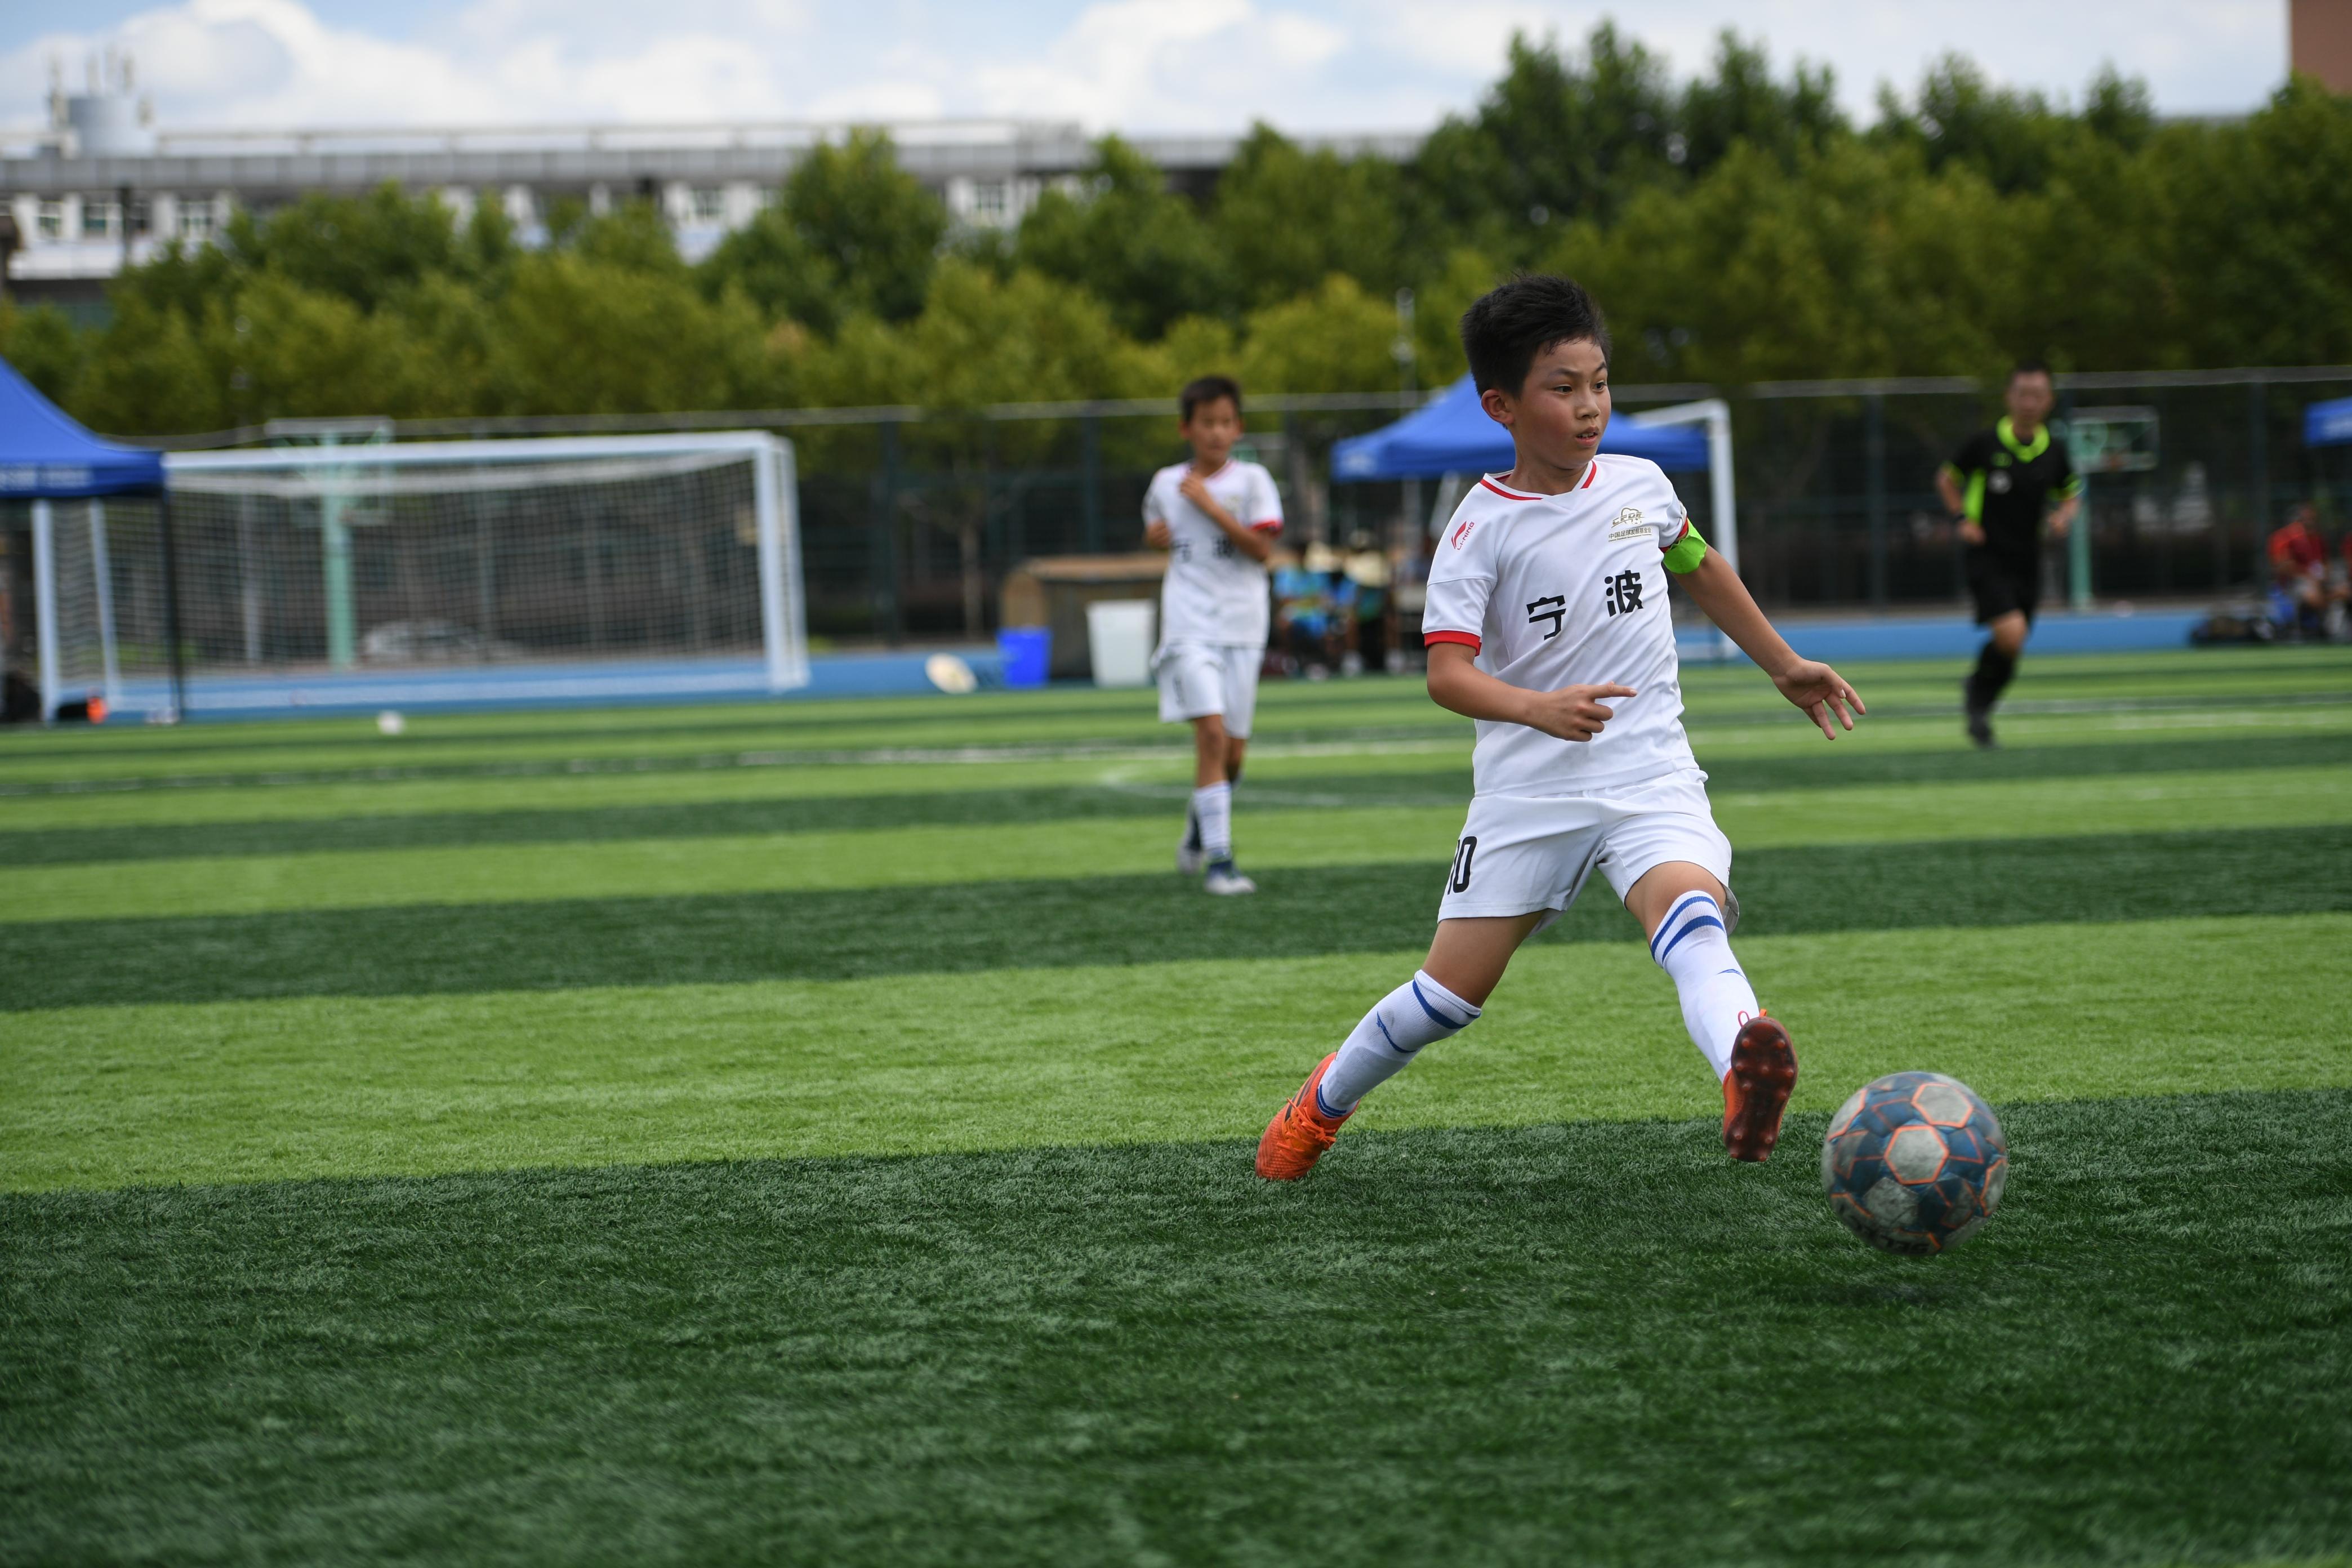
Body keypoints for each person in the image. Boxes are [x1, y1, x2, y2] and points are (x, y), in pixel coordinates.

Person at [1254, 275, 1865, 1181]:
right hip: (1529, 792)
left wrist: (1783, 664)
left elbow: (1698, 565)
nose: (1590, 409)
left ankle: (1745, 1061)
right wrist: (1537, 707)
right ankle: (1318, 1108)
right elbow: (1446, 674)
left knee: (1692, 918)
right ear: (1501, 405)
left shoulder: (1642, 488)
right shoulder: (1478, 530)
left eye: (1601, 383)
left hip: (1649, 772)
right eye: (1564, 388)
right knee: (1444, 997)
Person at [1143, 375, 1284, 896]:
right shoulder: (1164, 483)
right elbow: (1157, 530)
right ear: (1187, 428)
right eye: (1207, 423)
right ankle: (1221, 863)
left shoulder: (1253, 482)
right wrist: (1153, 537)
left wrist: (1211, 506)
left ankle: (1200, 825)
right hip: (1188, 627)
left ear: (1238, 427)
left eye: (1226, 422)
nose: (1217, 432)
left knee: (1233, 755)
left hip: (1243, 626)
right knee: (1210, 735)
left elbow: (1263, 549)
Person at [1936, 362, 2082, 748]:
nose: (2030, 402)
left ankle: (1979, 699)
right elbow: (1947, 478)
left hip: (2029, 559)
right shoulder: (1985, 444)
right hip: (1987, 556)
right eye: (2023, 394)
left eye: (2038, 395)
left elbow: (2071, 492)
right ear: (2009, 397)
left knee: (2014, 644)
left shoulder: (2054, 450)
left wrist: (2064, 517)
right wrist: (1961, 518)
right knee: (2011, 633)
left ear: (2049, 400)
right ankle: (1978, 698)